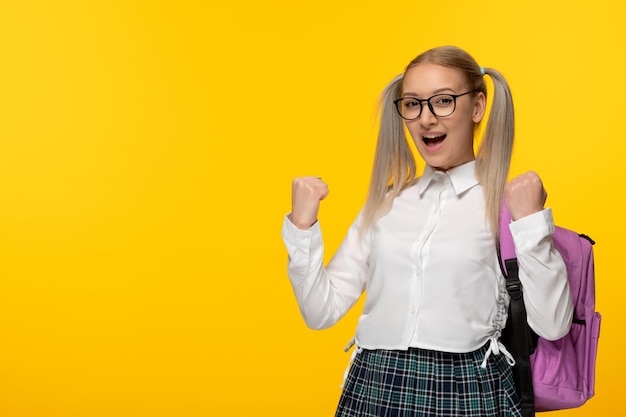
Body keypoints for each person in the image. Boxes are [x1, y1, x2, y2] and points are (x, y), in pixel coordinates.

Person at [281, 46, 574, 417]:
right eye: (413, 104)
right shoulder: (387, 202)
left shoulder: (507, 205)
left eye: (443, 101)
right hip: (375, 385)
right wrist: (302, 227)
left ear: (478, 107)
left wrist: (532, 223)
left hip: (467, 388)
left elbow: (553, 324)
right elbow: (321, 312)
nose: (426, 119)